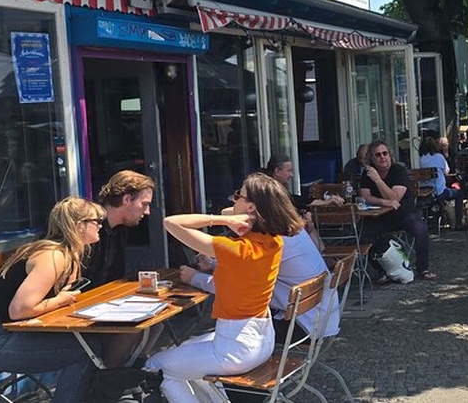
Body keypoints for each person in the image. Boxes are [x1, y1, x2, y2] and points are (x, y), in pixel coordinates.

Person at [145, 173, 302, 403]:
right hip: (261, 340)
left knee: (157, 368)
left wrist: (221, 221)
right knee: (188, 349)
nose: (232, 200)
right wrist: (239, 213)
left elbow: (171, 222)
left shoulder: (236, 250)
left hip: (234, 348)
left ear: (250, 207)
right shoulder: (273, 241)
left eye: (238, 195)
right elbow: (230, 212)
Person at [0, 197, 106, 403]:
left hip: (11, 333)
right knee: (86, 351)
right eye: (96, 221)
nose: (100, 226)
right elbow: (20, 310)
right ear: (78, 226)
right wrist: (61, 300)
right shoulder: (53, 256)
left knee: (92, 343)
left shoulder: (68, 254)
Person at [179, 216, 340, 343]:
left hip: (302, 328)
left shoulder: (270, 240)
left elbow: (237, 289)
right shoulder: (292, 229)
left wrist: (194, 278)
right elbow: (247, 271)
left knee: (217, 336)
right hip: (323, 319)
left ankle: (224, 382)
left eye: (239, 197)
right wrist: (214, 264)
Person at [358, 140, 436, 281]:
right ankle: (381, 271)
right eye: (378, 155)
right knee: (363, 236)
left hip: (403, 214)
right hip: (380, 216)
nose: (382, 157)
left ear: (390, 155)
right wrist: (384, 202)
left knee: (421, 230)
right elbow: (366, 197)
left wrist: (378, 180)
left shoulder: (398, 170)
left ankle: (423, 268)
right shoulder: (368, 174)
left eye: (385, 153)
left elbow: (395, 197)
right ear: (372, 159)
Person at [85, 170, 155, 287]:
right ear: (127, 199)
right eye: (144, 204)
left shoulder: (121, 228)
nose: (147, 211)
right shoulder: (89, 228)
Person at [419, 136, 464, 229]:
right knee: (459, 193)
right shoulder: (439, 157)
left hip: (424, 192)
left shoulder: (420, 159)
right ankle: (459, 222)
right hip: (439, 191)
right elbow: (447, 171)